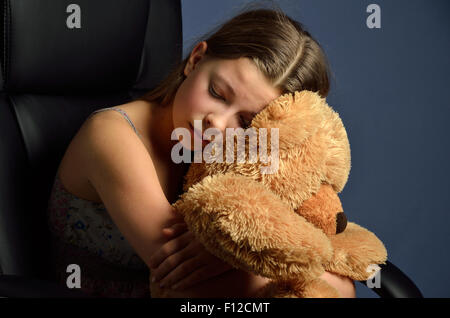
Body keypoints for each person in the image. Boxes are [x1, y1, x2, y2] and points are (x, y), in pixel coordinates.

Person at [46, 7, 355, 298]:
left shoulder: (251, 153)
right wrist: (242, 254)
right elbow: (187, 284)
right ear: (195, 60)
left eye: (246, 122)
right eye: (217, 93)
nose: (218, 123)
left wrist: (240, 251)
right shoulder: (111, 135)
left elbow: (337, 277)